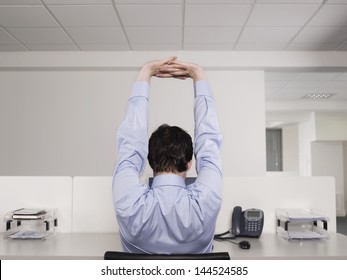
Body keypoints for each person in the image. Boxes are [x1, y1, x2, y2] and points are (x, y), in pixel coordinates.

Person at [113, 57, 223, 254]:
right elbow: (209, 144)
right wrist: (198, 74)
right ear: (190, 163)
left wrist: (145, 72)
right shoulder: (206, 203)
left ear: (148, 160)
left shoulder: (129, 202)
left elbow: (131, 143)